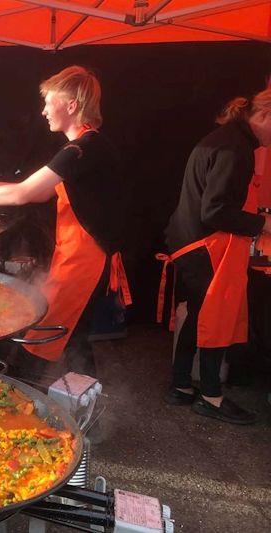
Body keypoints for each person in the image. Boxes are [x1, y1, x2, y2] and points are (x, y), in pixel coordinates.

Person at [0, 66, 130, 377]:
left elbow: (24, 193)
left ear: (71, 105)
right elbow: (40, 192)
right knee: (73, 338)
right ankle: (86, 406)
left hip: (86, 262)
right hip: (74, 257)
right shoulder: (82, 146)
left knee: (45, 337)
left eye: (49, 102)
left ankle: (25, 397)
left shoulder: (83, 148)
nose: (43, 111)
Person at [162, 90, 271, 424]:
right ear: (266, 117)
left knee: (198, 314)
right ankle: (211, 396)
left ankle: (180, 386)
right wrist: (263, 223)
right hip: (203, 245)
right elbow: (216, 211)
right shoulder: (235, 149)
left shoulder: (229, 140)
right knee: (215, 316)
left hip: (188, 242)